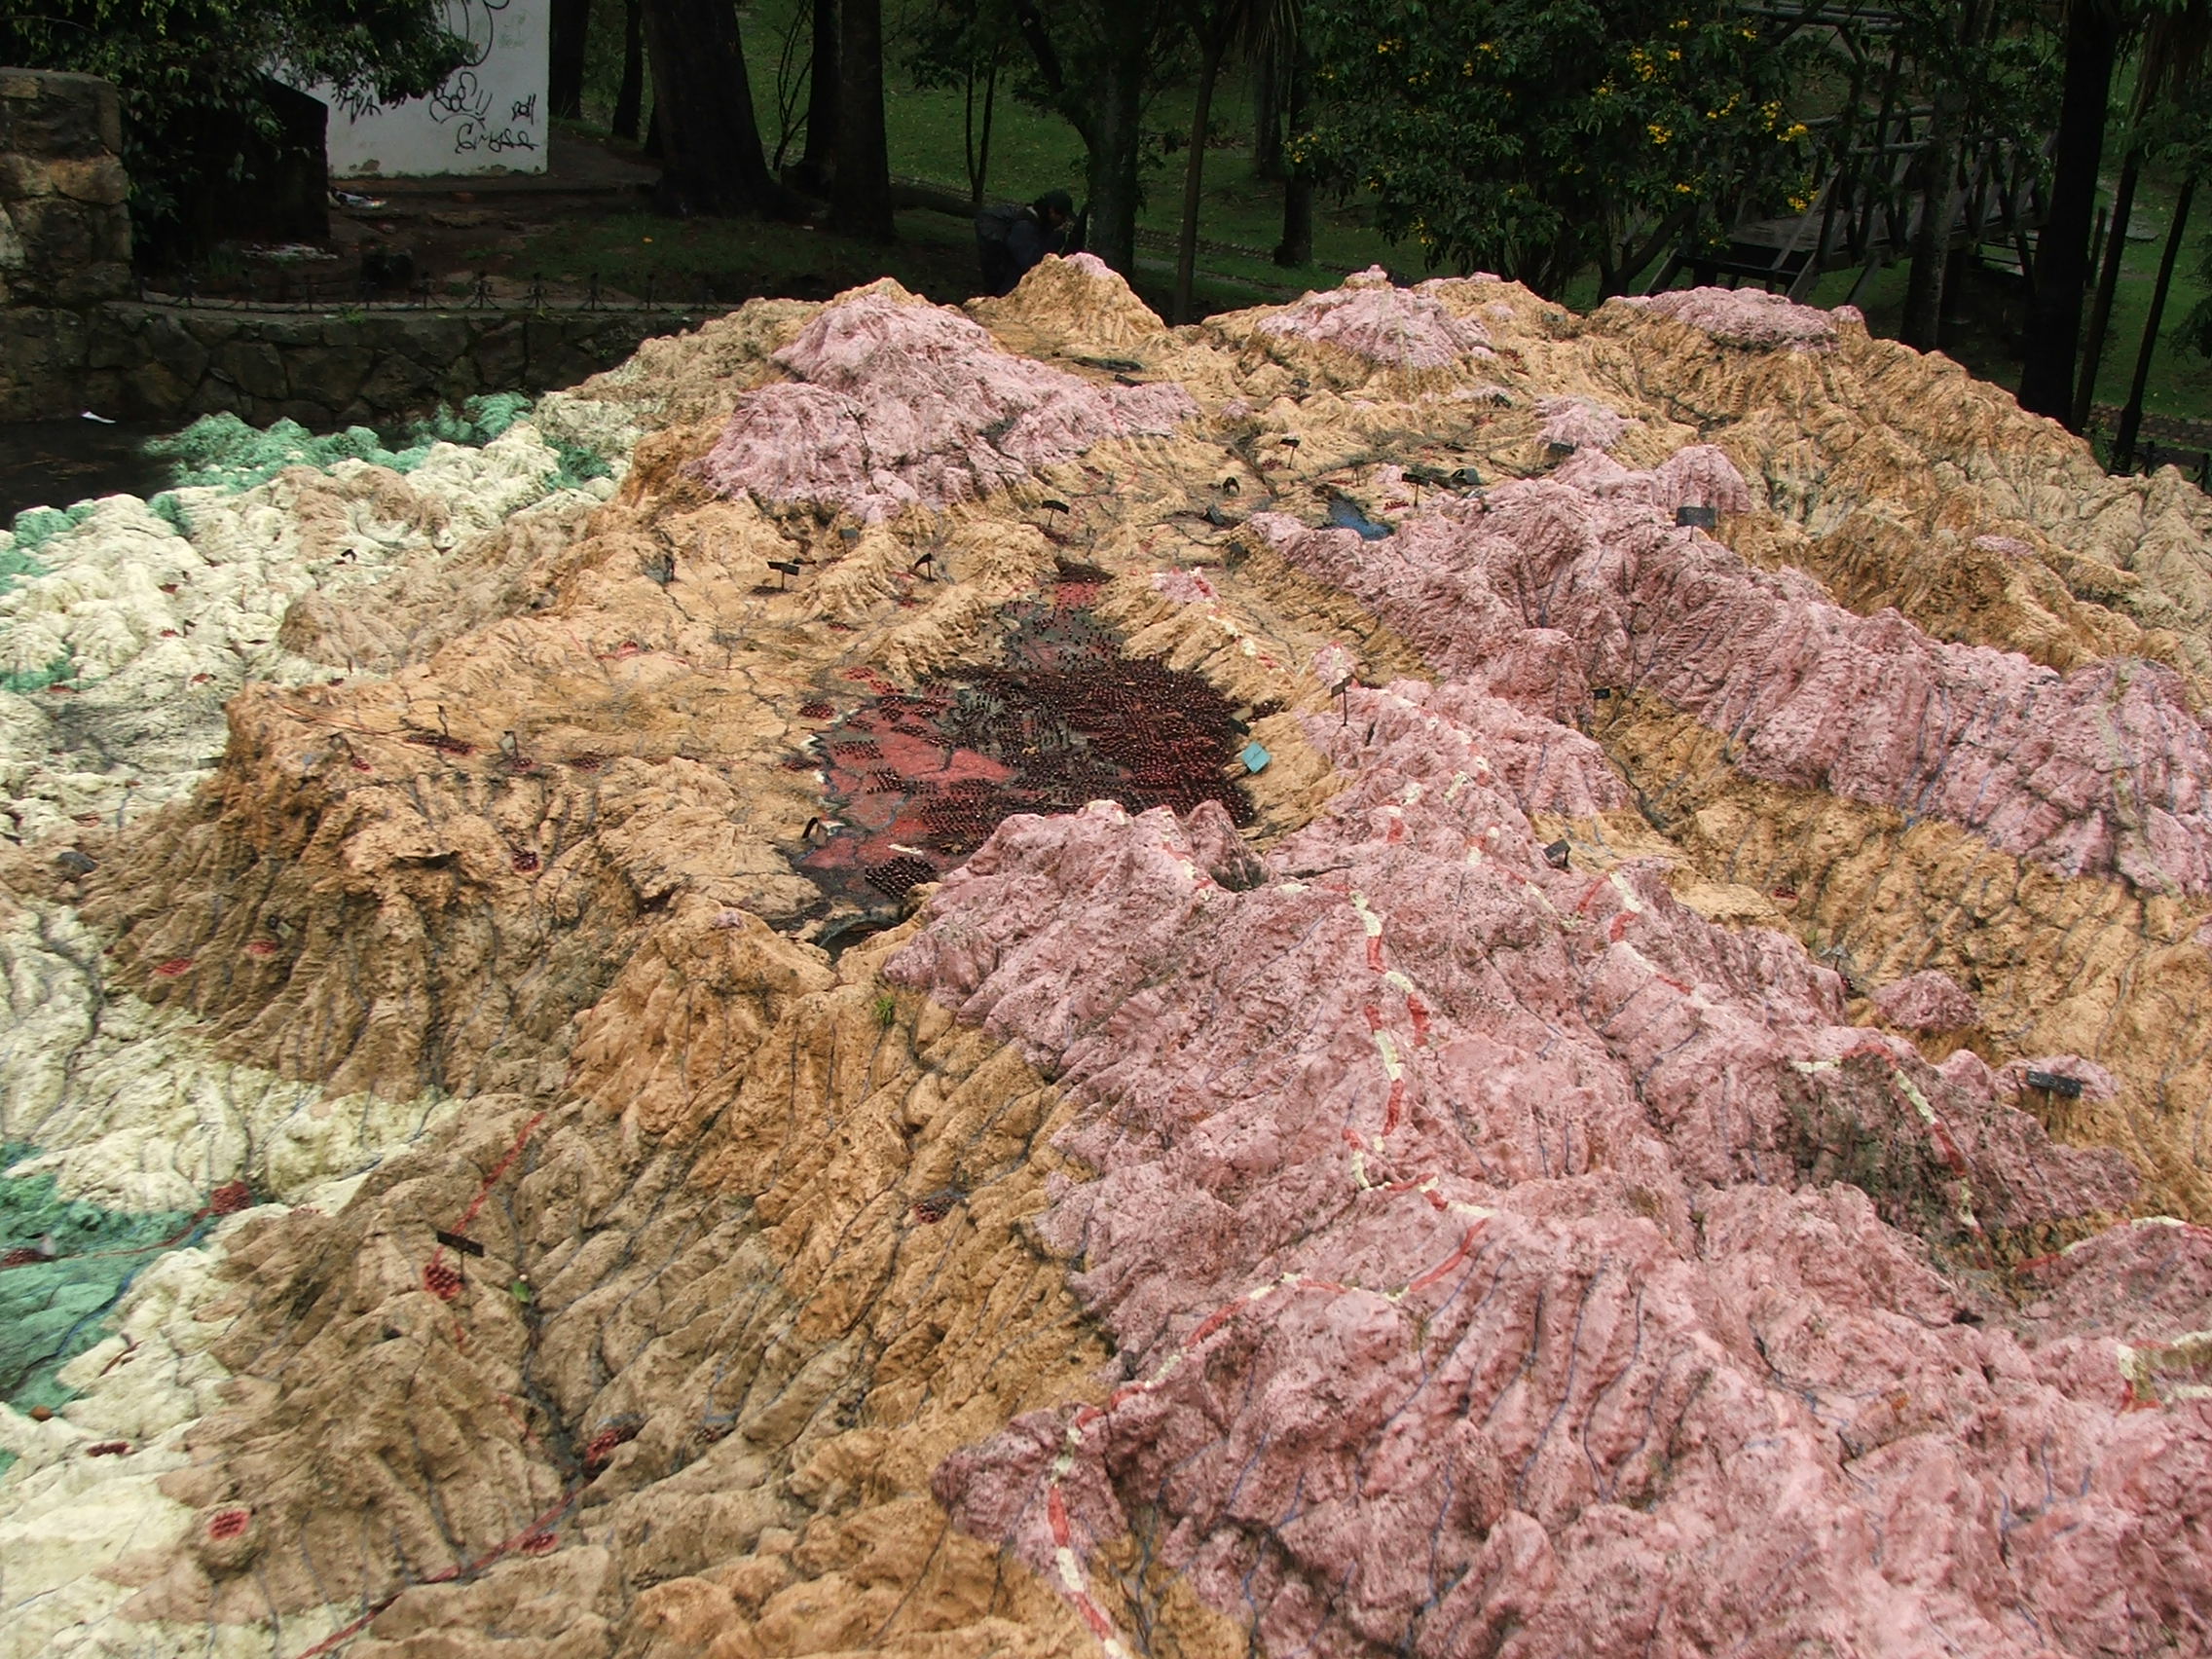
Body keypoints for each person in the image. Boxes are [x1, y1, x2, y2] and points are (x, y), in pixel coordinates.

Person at [975, 189, 1076, 297]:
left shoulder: (1035, 224)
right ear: (1052, 211)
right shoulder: (1024, 228)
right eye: (1063, 217)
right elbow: (1033, 264)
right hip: (1008, 291)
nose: (1064, 221)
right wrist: (1055, 239)